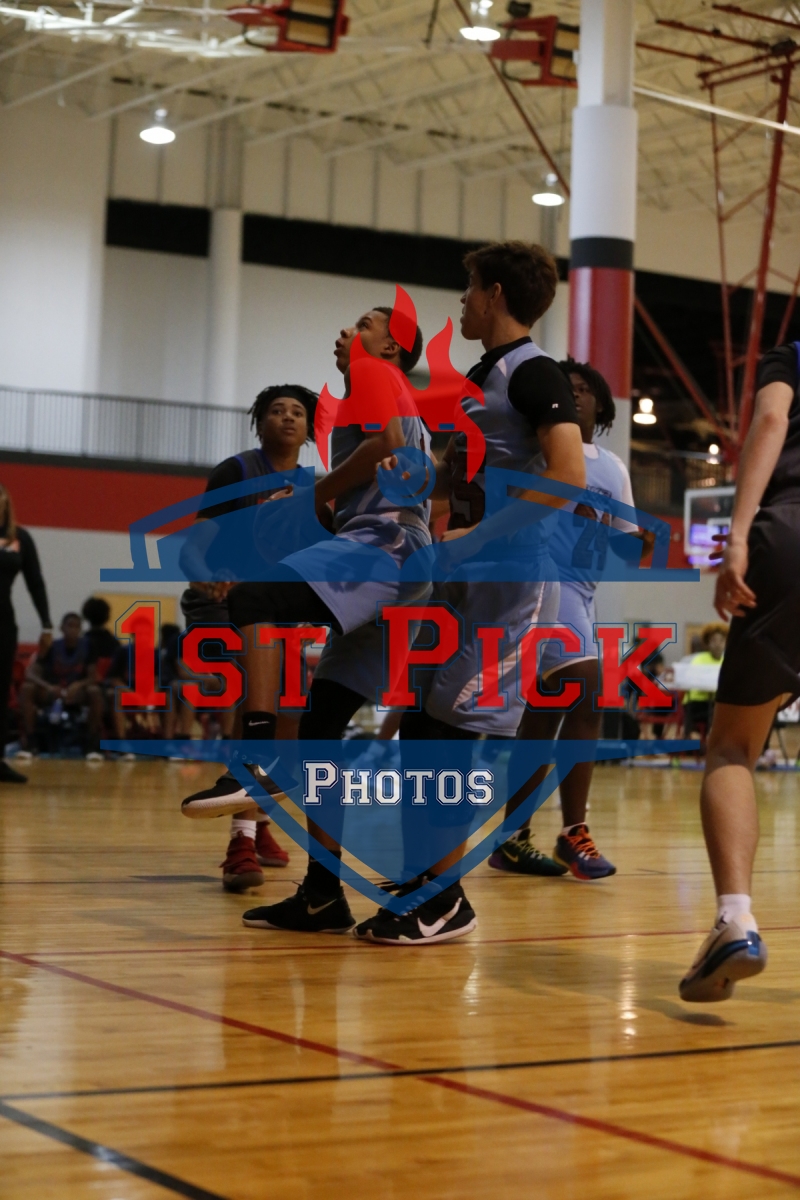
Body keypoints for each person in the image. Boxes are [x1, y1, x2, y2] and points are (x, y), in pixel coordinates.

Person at [358, 241, 587, 942]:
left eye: (470, 289)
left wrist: (478, 538)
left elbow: (568, 475)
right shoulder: (483, 377)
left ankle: (446, 901)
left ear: (495, 295)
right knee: (423, 726)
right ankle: (424, 878)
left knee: (452, 733)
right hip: (466, 577)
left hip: (510, 583)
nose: (461, 302)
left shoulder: (533, 371)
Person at [181, 304, 429, 936]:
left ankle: (259, 755)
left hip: (384, 548)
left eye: (365, 324)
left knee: (252, 601)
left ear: (392, 347)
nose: (348, 330)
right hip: (405, 565)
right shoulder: (392, 397)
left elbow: (386, 446)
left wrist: (312, 496)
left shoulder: (374, 373)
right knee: (320, 729)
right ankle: (322, 895)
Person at [489, 357, 644, 880]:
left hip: (580, 596)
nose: (573, 394)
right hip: (535, 587)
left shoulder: (613, 468)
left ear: (601, 405)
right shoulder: (536, 451)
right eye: (565, 387)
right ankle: (572, 831)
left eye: (583, 388)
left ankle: (513, 837)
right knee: (586, 690)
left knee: (543, 717)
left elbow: (625, 547)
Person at [679, 341, 800, 1002]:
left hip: (791, 543)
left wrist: (739, 537)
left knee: (731, 749)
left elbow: (772, 420)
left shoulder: (793, 355)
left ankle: (735, 920)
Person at [180, 384, 319, 891]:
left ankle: (259, 822)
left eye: (297, 411)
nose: (287, 417)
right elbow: (191, 550)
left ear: (309, 429)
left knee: (292, 718)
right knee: (254, 699)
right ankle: (240, 841)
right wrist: (206, 580)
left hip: (275, 609)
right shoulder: (236, 472)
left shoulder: (312, 485)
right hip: (221, 603)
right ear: (259, 423)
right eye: (276, 410)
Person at [0, 481, 53, 782]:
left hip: (3, 622)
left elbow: (35, 582)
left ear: (6, 503)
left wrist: (46, 623)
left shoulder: (19, 537)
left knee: (1, 688)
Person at [18, 611, 104, 761]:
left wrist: (78, 684)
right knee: (27, 688)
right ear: (61, 628)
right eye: (70, 626)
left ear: (80, 629)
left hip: (77, 693)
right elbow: (30, 673)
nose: (73, 630)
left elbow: (93, 677)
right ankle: (31, 742)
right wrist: (48, 686)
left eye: (77, 627)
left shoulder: (88, 646)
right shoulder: (51, 646)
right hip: (53, 691)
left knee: (95, 691)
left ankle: (91, 744)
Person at [683, 622, 727, 741]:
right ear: (708, 643)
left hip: (717, 702)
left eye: (721, 640)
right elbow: (692, 677)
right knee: (690, 707)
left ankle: (713, 738)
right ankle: (692, 735)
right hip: (697, 701)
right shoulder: (698, 659)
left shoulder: (728, 661)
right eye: (714, 640)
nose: (717, 644)